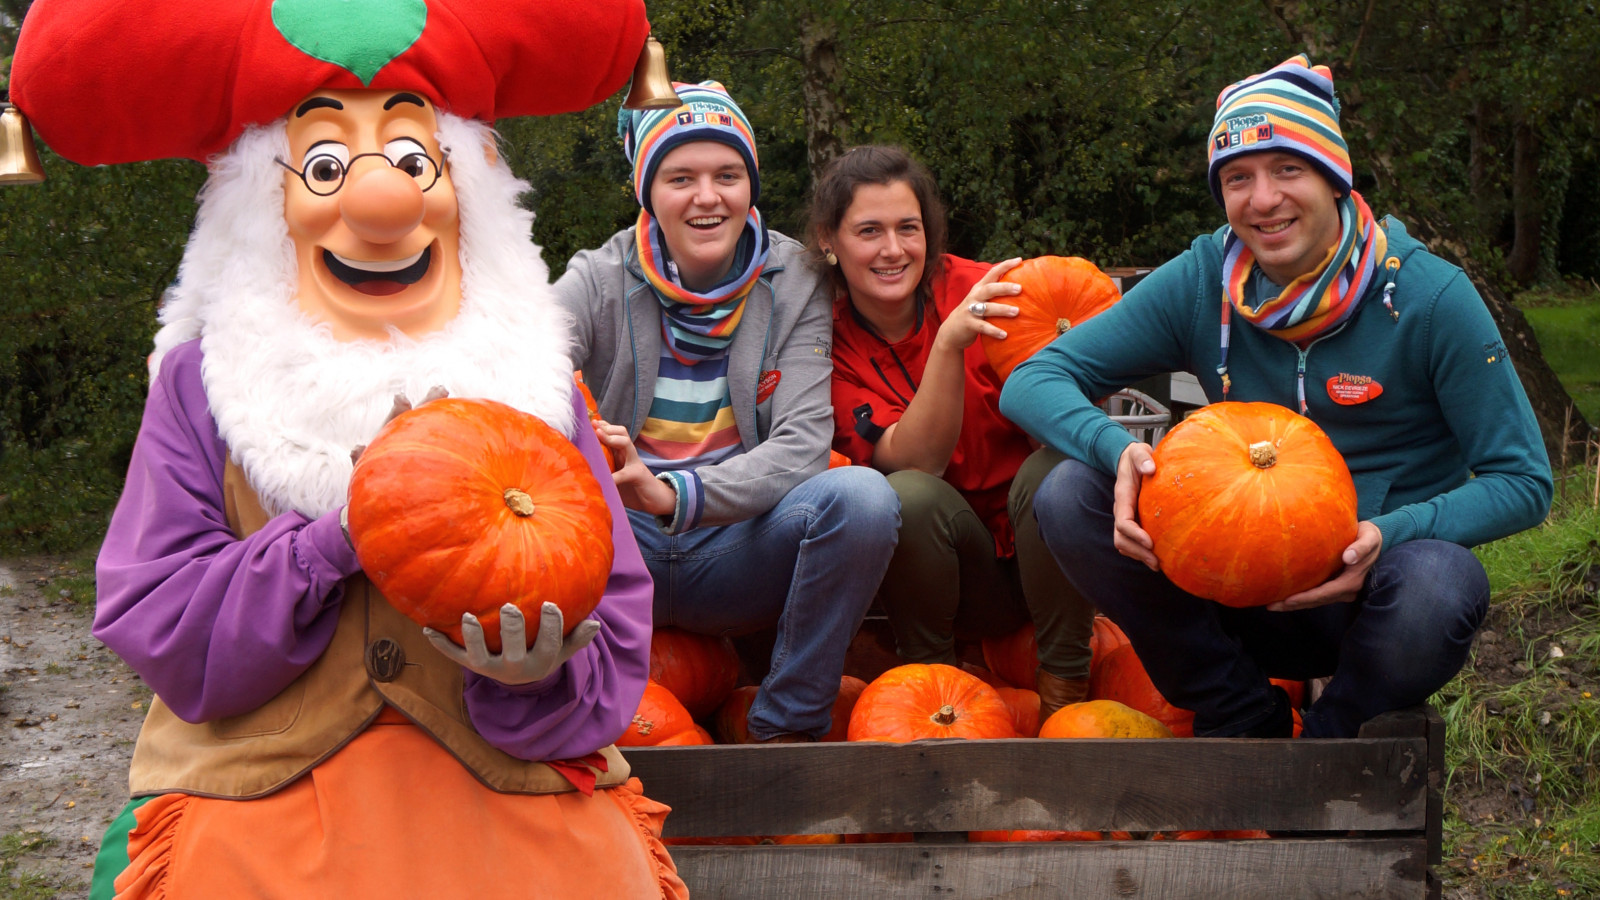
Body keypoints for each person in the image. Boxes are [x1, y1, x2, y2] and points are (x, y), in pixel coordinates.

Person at [12, 1, 688, 896]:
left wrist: (537, 675)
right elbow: (159, 613)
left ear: (464, 188)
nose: (384, 199)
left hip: (508, 785)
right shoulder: (202, 382)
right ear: (263, 205)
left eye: (414, 159)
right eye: (326, 165)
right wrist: (337, 540)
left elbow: (616, 613)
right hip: (266, 799)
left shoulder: (534, 379)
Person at [1001, 55, 1553, 739]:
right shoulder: (1204, 280)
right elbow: (1031, 378)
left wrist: (1388, 535)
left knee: (1440, 585)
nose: (1262, 200)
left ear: (1334, 176)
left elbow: (1525, 481)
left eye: (1288, 169)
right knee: (1066, 492)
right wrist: (1119, 453)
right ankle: (1240, 713)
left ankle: (1331, 740)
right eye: (1238, 178)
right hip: (1226, 585)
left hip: (1373, 598)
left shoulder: (1429, 297)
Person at [553, 82, 900, 744]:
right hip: (619, 548)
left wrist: (673, 492)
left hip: (739, 544)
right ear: (647, 191)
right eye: (681, 177)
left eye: (727, 175)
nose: (707, 197)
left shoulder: (794, 277)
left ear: (751, 184)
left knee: (862, 498)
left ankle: (784, 732)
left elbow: (801, 445)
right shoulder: (599, 278)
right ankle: (568, 723)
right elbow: (518, 362)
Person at [810, 145, 1096, 720]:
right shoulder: (825, 344)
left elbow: (1079, 369)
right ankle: (932, 700)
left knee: (1058, 468)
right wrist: (949, 344)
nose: (893, 250)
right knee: (906, 495)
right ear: (828, 242)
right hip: (952, 574)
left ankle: (1067, 698)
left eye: (908, 229)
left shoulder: (989, 291)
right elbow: (918, 462)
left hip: (1039, 551)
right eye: (869, 231)